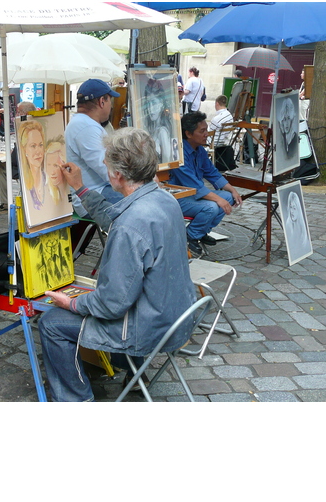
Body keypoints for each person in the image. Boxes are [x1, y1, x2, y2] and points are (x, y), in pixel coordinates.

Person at [38, 128, 196, 402]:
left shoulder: (131, 226)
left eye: (107, 164)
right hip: (175, 316)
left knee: (51, 323)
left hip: (147, 327)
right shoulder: (163, 199)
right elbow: (116, 221)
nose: (105, 168)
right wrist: (80, 187)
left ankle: (77, 401)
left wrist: (73, 303)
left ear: (118, 175)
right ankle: (134, 372)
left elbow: (111, 304)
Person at [168, 111, 243, 255]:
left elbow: (212, 173)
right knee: (211, 207)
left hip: (194, 194)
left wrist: (232, 190)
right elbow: (195, 186)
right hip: (179, 198)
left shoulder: (200, 150)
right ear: (189, 134)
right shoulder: (179, 153)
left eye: (206, 130)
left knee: (228, 197)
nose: (206, 134)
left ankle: (201, 231)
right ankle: (190, 236)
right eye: (202, 131)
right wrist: (218, 200)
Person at [64, 78, 122, 218]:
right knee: (146, 203)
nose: (111, 107)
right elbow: (107, 170)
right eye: (110, 101)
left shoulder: (84, 123)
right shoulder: (86, 127)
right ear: (102, 101)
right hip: (94, 194)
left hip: (96, 191)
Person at [0, 101, 36, 210]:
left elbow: (18, 158)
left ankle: (4, 199)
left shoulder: (25, 127)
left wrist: (12, 156)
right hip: (27, 163)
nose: (16, 115)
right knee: (0, 165)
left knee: (0, 166)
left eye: (18, 112)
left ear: (24, 113)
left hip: (24, 167)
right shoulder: (34, 124)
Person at [142, 77, 172, 163]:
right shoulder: (150, 128)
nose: (150, 109)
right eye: (148, 104)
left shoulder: (162, 132)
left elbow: (166, 163)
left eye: (154, 103)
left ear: (161, 104)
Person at [18, 120, 47, 211]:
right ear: (24, 149)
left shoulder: (49, 178)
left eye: (40, 145)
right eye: (33, 146)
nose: (38, 151)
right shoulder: (26, 187)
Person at [208, 94, 236, 171]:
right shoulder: (229, 116)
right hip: (225, 141)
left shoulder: (217, 119)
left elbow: (209, 133)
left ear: (217, 103)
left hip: (215, 142)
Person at [284, 190, 311, 261]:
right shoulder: (289, 224)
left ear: (298, 209)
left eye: (294, 208)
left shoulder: (302, 231)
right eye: (290, 207)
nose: (291, 211)